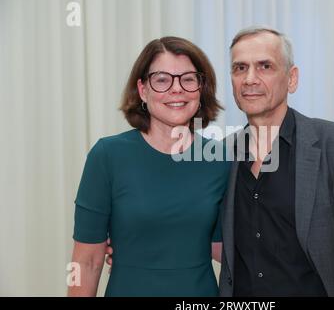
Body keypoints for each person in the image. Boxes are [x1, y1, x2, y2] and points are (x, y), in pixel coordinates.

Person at [218, 26, 334, 297]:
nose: (249, 78)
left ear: (292, 78)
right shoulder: (222, 154)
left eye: (265, 66)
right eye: (240, 68)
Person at [68, 36, 229, 296]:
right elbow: (86, 262)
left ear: (201, 88)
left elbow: (226, 248)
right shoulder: (107, 156)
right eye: (162, 80)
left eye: (188, 79)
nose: (176, 89)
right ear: (143, 90)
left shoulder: (220, 160)